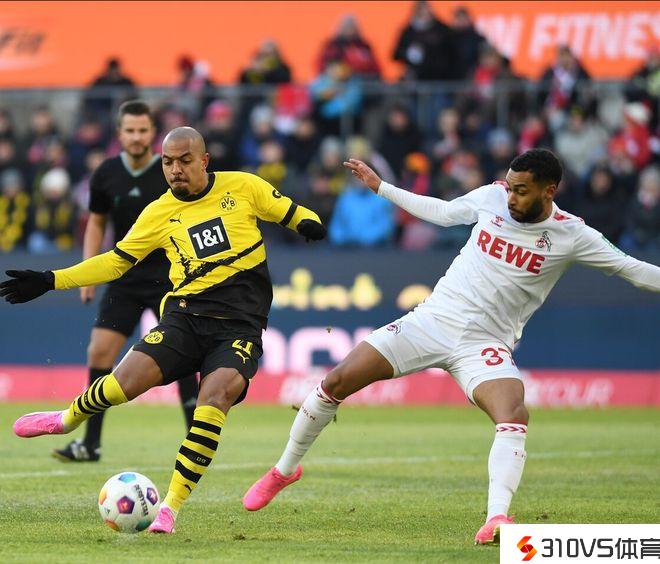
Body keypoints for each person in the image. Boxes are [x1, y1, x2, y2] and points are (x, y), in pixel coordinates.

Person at [242, 149, 660, 545]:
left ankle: (497, 517)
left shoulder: (572, 233)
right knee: (336, 381)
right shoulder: (493, 198)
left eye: (521, 191)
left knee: (513, 413)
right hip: (431, 322)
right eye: (510, 187)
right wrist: (382, 188)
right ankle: (284, 470)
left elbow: (633, 269)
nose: (511, 197)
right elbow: (442, 213)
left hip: (485, 344)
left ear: (549, 190)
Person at [1, 126, 326, 535]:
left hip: (239, 329)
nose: (175, 170)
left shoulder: (244, 187)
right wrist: (51, 279)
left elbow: (295, 213)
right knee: (123, 383)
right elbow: (115, 262)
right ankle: (67, 420)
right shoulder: (158, 212)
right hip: (185, 319)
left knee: (214, 398)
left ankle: (169, 508)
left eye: (185, 161)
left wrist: (310, 223)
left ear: (204, 160)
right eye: (168, 162)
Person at [48, 101, 198, 463]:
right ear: (119, 133)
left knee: (182, 356)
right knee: (99, 352)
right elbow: (96, 223)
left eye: (143, 130)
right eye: (130, 131)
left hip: (169, 278)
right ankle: (90, 443)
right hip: (124, 278)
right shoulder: (106, 173)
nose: (136, 137)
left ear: (153, 133)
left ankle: (195, 442)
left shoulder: (169, 171)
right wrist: (87, 273)